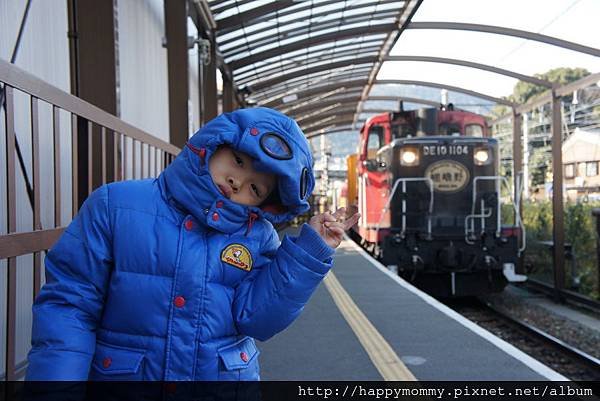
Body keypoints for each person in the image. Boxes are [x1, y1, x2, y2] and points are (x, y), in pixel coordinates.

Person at [26, 107, 359, 381]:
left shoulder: (258, 236)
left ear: (265, 205)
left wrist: (308, 253)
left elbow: (257, 319)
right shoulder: (114, 206)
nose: (238, 181)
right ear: (213, 143)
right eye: (239, 161)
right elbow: (70, 307)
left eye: (256, 189)